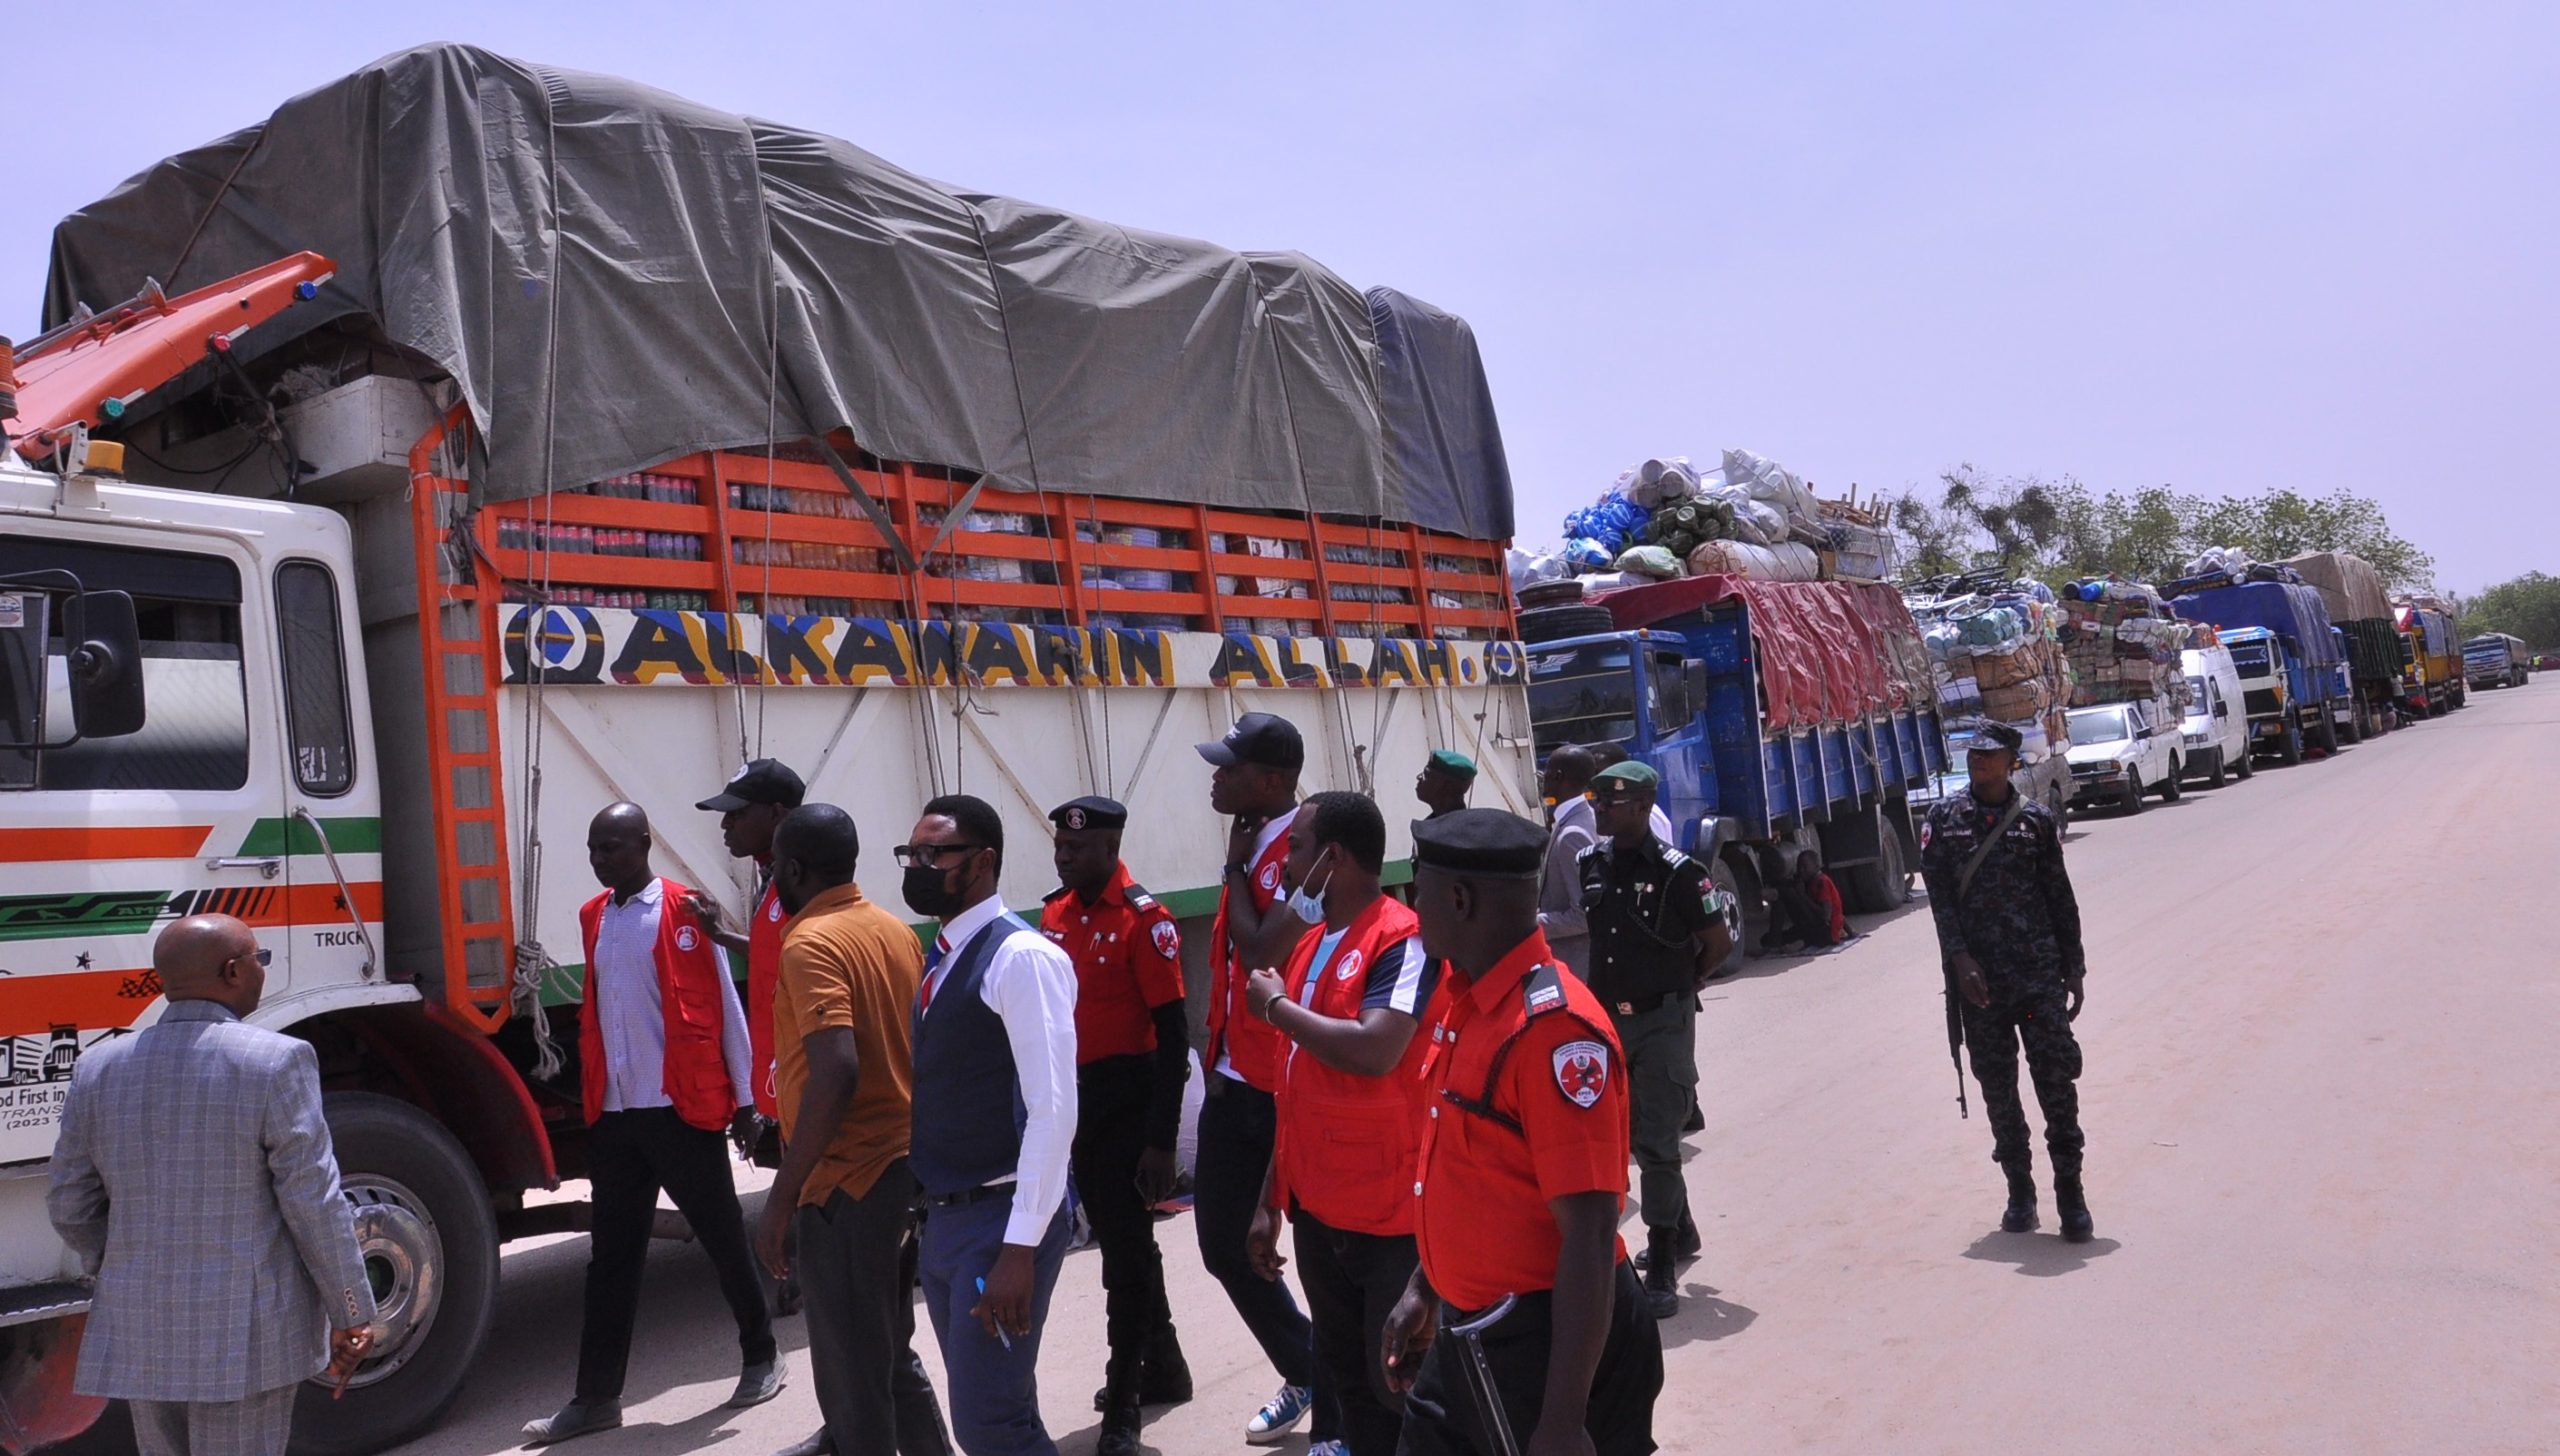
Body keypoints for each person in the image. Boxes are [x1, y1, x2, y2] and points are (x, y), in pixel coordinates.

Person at [1380, 809, 1663, 1456]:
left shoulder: (1554, 1033)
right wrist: (1425, 1289)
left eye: (1418, 890)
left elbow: (1590, 1236)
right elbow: (1471, 1176)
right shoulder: (1465, 997)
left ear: (1459, 899)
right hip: (1471, 1324)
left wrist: (1563, 1422)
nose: (1411, 906)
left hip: (1543, 1343)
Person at [47, 914, 374, 1456]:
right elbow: (313, 1200)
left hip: (141, 1323)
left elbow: (69, 1203)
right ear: (231, 972)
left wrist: (127, 1263)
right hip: (246, 1335)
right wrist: (352, 1310)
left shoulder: (99, 1067)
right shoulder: (276, 1061)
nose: (261, 972)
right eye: (258, 960)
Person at [525, 803, 779, 1445]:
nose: (600, 859)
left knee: (723, 1237)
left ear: (643, 844)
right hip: (616, 1118)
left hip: (679, 1110)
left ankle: (761, 1355)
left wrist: (747, 1102)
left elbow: (726, 1006)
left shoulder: (683, 909)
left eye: (611, 847)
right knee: (610, 1259)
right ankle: (596, 1398)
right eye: (592, 848)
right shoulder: (595, 918)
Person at [1240, 792, 1443, 1456]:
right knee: (1352, 1384)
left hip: (1389, 1218)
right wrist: (1273, 1199)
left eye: (1296, 848)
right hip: (1321, 1214)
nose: (1285, 862)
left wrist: (1276, 1009)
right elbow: (1295, 1090)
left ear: (1335, 857)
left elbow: (1376, 1047)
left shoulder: (1401, 938)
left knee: (1403, 1386)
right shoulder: (1310, 945)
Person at [758, 805, 953, 1456]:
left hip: (848, 1183)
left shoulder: (810, 942)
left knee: (853, 1383)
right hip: (901, 1168)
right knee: (890, 1356)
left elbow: (834, 1071)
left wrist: (782, 1197)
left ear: (792, 869)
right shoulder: (895, 932)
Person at [899, 794, 1080, 1456]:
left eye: (932, 854)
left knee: (989, 1426)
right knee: (1002, 1415)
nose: (916, 867)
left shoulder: (1020, 959)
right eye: (910, 853)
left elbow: (1053, 1108)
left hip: (1000, 1221)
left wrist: (1019, 1248)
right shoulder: (945, 953)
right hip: (951, 1219)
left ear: (982, 862)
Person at [1039, 796, 1194, 1456]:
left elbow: (1171, 1039)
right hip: (1079, 1105)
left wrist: (1161, 1143)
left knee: (1123, 1259)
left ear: (1108, 848)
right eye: (1059, 846)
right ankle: (1165, 1366)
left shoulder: (1143, 921)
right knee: (1123, 1242)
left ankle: (1124, 1399)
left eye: (1076, 848)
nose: (1063, 855)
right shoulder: (1055, 915)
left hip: (1130, 1104)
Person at [1195, 712, 1328, 1446]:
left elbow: (1258, 957)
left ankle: (1350, 1393)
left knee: (1309, 1249)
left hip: (1285, 1085)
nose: (1216, 777)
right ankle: (1310, 1366)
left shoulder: (1304, 854)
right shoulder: (1255, 845)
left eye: (1230, 767)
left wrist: (1237, 868)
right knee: (1223, 1244)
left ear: (1272, 781)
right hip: (1232, 1078)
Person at [1917, 720, 2095, 1243]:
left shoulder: (2035, 822)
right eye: (1974, 755)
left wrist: (2075, 967)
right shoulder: (1944, 819)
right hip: (1981, 986)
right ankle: (2020, 1190)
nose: (1979, 762)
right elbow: (1941, 900)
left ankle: (2071, 1194)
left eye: (1990, 756)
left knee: (2056, 1083)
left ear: (2012, 762)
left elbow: (2060, 898)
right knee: (1998, 1089)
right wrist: (1959, 957)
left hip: (2038, 977)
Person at [1579, 761, 1732, 1318]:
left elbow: (1718, 940)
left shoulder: (1679, 873)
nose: (1599, 810)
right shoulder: (1589, 865)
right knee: (1632, 1134)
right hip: (1607, 1021)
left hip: (1663, 1020)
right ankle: (1682, 1225)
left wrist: (1689, 980)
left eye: (1611, 803)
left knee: (1660, 1139)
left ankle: (1663, 1259)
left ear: (1643, 807)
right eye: (1597, 801)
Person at [689, 759, 806, 1319]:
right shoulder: (774, 872)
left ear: (778, 815)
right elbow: (776, 953)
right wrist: (719, 934)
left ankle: (811, 1271)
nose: (725, 827)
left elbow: (805, 958)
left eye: (736, 815)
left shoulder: (803, 878)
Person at [1536, 743, 1602, 979]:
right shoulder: (1583, 818)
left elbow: (1584, 915)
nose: (1543, 778)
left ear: (1557, 776)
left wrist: (1531, 922)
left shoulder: (1572, 834)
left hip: (1578, 965)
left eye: (1546, 771)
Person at [1760, 848, 1847, 955]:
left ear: (1816, 866)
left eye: (1805, 867)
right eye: (1799, 867)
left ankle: (1786, 942)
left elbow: (1826, 915)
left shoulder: (1822, 882)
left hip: (1825, 933)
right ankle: (1775, 941)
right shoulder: (1810, 881)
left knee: (1785, 894)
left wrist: (1802, 896)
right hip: (1820, 930)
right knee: (1765, 939)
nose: (1801, 870)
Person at [1415, 749, 1478, 820]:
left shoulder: (1460, 828)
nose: (1419, 777)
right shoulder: (1432, 824)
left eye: (1426, 774)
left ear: (1447, 786)